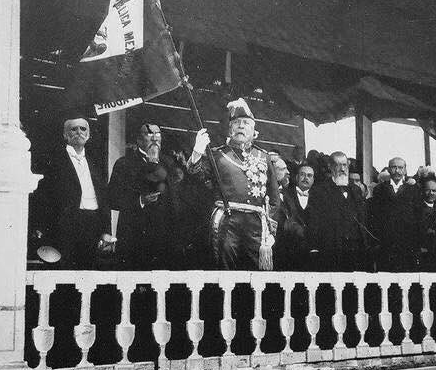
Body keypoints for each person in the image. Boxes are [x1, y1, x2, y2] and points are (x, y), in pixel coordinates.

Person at [187, 98, 280, 270]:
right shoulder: (217, 155)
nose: (241, 126)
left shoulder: (263, 157)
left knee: (256, 276)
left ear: (254, 131)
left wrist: (270, 230)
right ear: (230, 129)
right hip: (227, 224)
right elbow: (195, 176)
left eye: (246, 123)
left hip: (256, 226)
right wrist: (197, 152)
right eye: (236, 123)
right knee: (225, 271)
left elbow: (274, 198)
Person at [30, 115, 112, 269]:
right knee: (65, 271)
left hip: (93, 224)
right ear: (65, 135)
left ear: (88, 135)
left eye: (83, 129)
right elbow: (43, 196)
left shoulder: (95, 162)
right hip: (65, 225)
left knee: (88, 272)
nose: (79, 132)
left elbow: (103, 199)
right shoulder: (53, 160)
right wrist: (41, 226)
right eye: (73, 129)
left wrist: (106, 231)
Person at [108, 122, 176, 269]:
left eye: (157, 134)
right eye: (149, 134)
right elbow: (112, 198)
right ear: (138, 140)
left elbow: (174, 200)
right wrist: (140, 200)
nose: (155, 138)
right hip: (134, 237)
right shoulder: (124, 164)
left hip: (162, 238)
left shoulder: (169, 163)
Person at [306, 152, 372, 271]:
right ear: (330, 167)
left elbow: (362, 218)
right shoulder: (319, 190)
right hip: (330, 248)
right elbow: (313, 220)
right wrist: (314, 246)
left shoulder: (356, 190)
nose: (342, 169)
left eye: (344, 165)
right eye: (337, 165)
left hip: (354, 250)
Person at [368, 156, 419, 271]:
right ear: (389, 169)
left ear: (405, 170)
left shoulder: (413, 190)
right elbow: (375, 216)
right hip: (386, 242)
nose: (397, 171)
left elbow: (416, 216)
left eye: (400, 168)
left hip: (406, 242)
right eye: (394, 167)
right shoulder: (379, 189)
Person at [275, 162, 314, 270]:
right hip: (289, 250)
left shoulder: (319, 198)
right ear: (296, 177)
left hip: (311, 251)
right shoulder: (286, 194)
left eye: (309, 175)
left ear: (313, 179)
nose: (306, 178)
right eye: (302, 174)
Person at [416, 178, 436, 271]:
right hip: (422, 251)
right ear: (422, 191)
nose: (431, 193)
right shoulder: (416, 209)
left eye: (434, 190)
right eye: (428, 190)